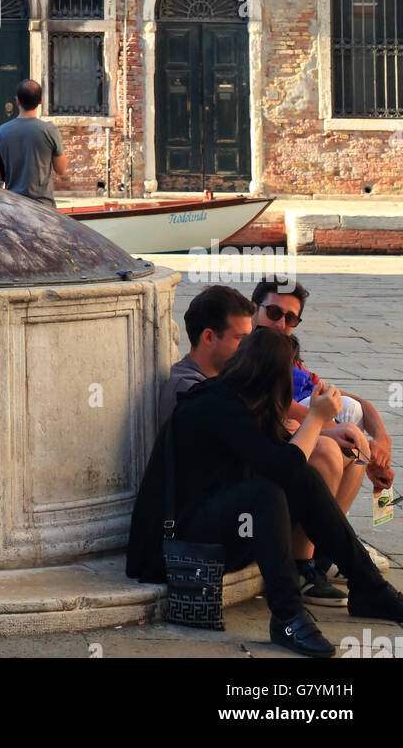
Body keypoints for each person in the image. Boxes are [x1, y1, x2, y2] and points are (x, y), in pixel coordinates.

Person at [127, 328, 403, 657]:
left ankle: (369, 587)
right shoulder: (215, 404)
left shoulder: (242, 398)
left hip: (220, 528)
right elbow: (279, 468)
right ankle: (287, 616)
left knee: (305, 480)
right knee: (266, 491)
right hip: (180, 547)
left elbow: (282, 461)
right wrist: (315, 418)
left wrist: (331, 431)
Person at [252, 280, 393, 594]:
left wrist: (381, 440)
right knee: (334, 447)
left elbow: (358, 402)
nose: (280, 324)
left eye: (291, 319)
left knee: (355, 450)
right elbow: (272, 405)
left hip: (307, 431)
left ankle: (324, 551)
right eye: (274, 312)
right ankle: (302, 566)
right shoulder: (249, 354)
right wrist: (332, 430)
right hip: (275, 446)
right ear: (254, 310)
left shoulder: (293, 361)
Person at [158, 285, 255, 426]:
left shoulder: (222, 379)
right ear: (209, 337)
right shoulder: (188, 391)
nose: (249, 346)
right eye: (241, 338)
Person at [0, 80, 68, 208]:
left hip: (14, 205)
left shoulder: (1, 131)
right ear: (41, 100)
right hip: (44, 207)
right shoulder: (50, 130)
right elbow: (61, 169)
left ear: (17, 101)